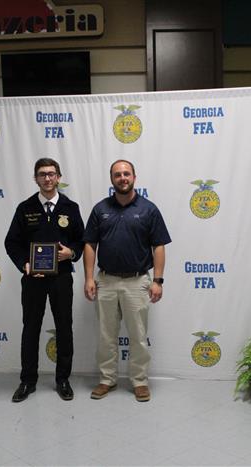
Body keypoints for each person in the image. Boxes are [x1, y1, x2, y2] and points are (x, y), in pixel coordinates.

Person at [83, 159, 171, 402]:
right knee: (106, 336)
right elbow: (90, 244)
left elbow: (159, 246)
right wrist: (89, 278)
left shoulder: (149, 209)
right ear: (112, 179)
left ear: (134, 177)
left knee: (138, 336)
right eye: (117, 174)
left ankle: (140, 381)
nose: (122, 178)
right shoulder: (100, 209)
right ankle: (106, 379)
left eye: (126, 174)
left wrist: (158, 280)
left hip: (137, 282)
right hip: (106, 282)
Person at [5, 158, 84, 402]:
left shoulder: (71, 207)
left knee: (64, 328)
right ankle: (27, 381)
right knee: (30, 328)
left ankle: (63, 380)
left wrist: (71, 253)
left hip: (62, 278)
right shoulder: (25, 208)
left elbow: (82, 240)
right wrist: (24, 264)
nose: (47, 178)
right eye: (42, 174)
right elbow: (12, 242)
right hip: (33, 279)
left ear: (58, 177)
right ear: (36, 179)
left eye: (51, 174)